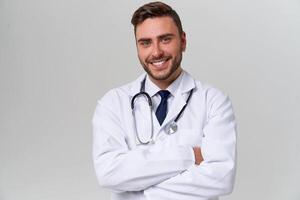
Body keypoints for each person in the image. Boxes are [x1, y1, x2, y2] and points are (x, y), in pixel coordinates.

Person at [92, 2, 237, 200]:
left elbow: (222, 178)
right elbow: (108, 174)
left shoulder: (213, 101)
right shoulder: (113, 104)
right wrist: (188, 155)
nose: (156, 52)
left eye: (165, 39)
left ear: (183, 41)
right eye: (145, 42)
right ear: (137, 46)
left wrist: (140, 189)